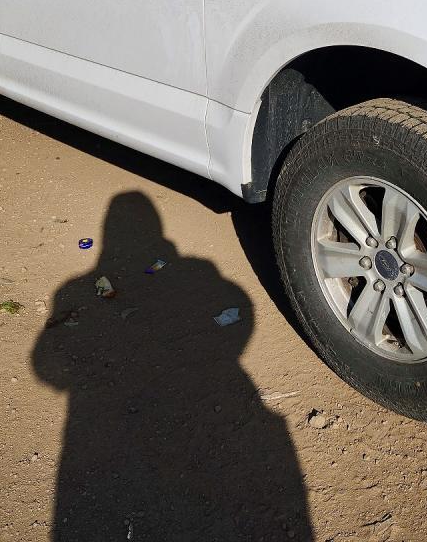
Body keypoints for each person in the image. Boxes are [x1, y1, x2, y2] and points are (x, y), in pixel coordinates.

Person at [33, 191, 313, 541]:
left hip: (99, 429)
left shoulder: (71, 290)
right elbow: (243, 318)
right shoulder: (202, 272)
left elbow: (44, 367)